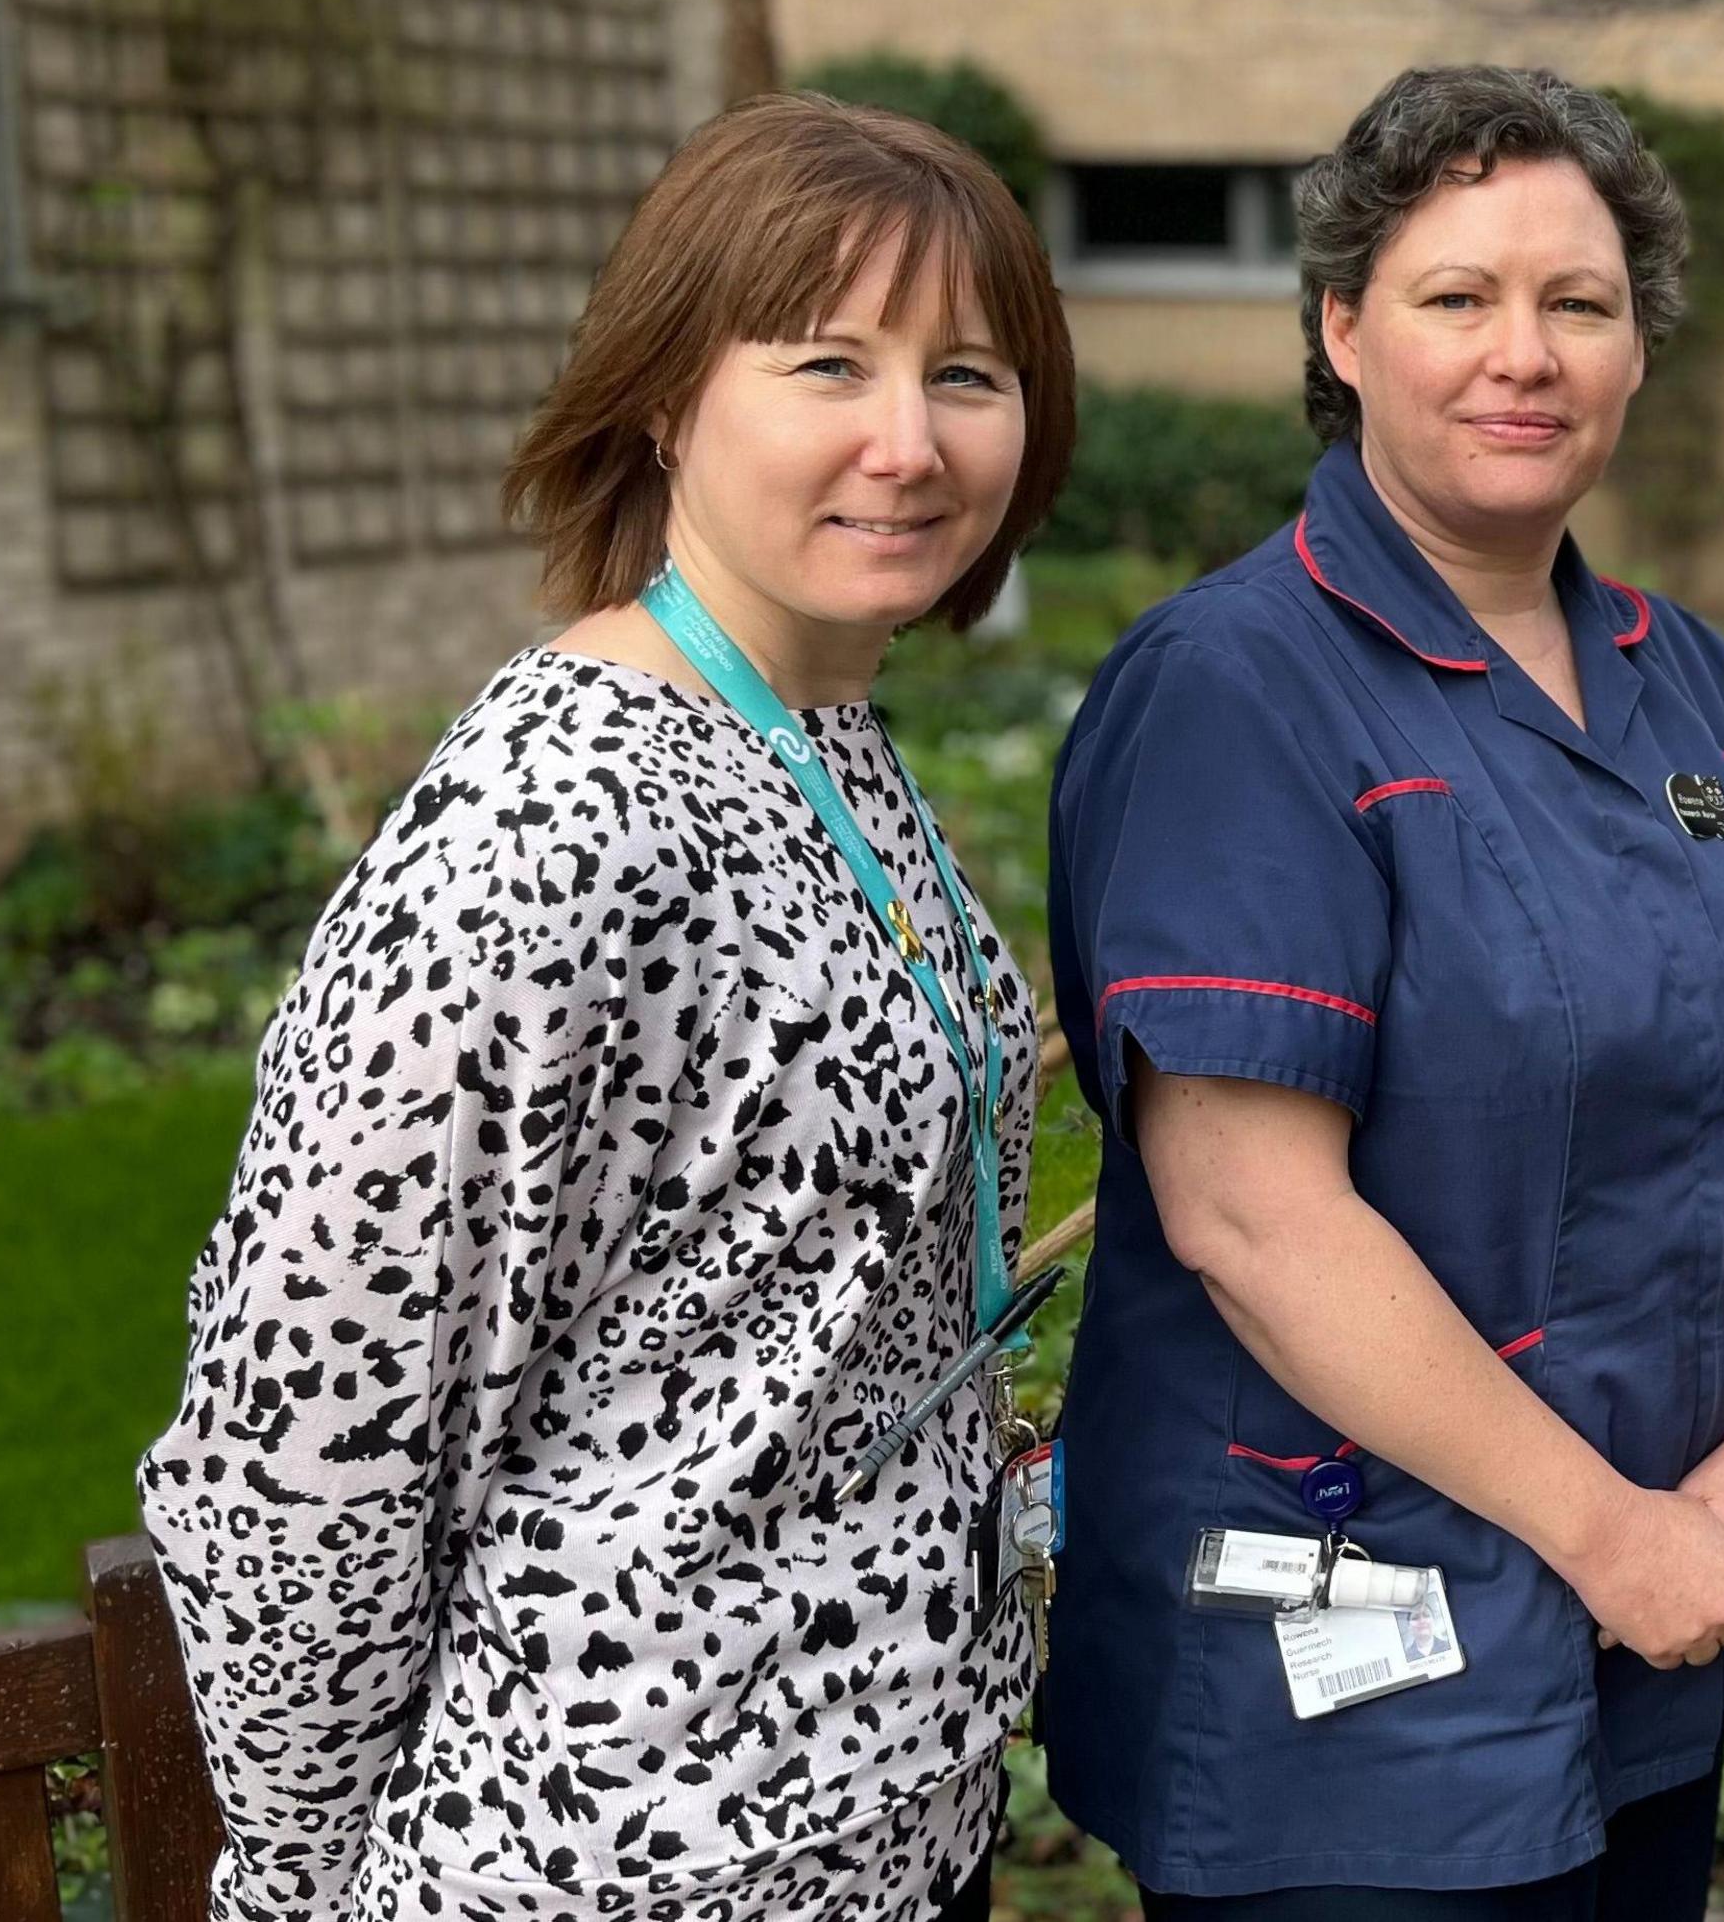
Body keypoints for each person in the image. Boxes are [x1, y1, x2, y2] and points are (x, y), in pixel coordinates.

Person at [138, 93, 1077, 1921]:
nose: (908, 441)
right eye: (828, 362)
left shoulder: (814, 724)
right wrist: (309, 1874)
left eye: (967, 373)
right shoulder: (553, 821)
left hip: (887, 1817)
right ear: (666, 399)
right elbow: (304, 1434)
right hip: (624, 1855)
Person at [1039, 65, 1724, 1919]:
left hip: (1655, 1617)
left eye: (1579, 303)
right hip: (1351, 1668)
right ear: (1343, 327)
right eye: (1455, 298)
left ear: (1640, 347)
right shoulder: (1240, 692)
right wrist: (1612, 1533)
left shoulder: (1693, 683)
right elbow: (1252, 1216)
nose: (1526, 355)